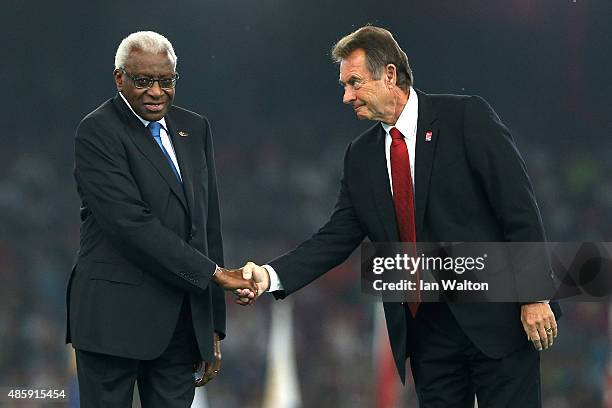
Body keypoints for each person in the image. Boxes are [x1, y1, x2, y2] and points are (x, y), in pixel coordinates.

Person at [238, 25, 561, 407]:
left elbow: (517, 207)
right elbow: (334, 238)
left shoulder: (465, 118)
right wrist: (269, 275)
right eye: (344, 85)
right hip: (427, 335)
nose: (346, 96)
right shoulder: (361, 157)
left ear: (389, 74)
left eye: (354, 83)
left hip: (499, 321)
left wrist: (534, 294)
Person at [66, 31, 256, 407]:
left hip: (181, 325)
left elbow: (207, 224)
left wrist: (212, 325)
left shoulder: (194, 128)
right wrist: (214, 274)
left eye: (165, 81)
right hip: (112, 322)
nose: (156, 92)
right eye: (143, 81)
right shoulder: (97, 131)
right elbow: (129, 225)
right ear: (120, 78)